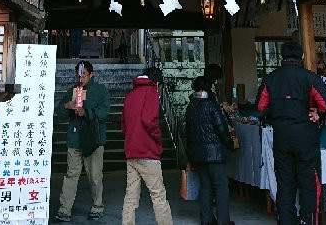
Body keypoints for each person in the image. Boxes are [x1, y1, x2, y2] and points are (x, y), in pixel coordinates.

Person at [256, 42, 326, 225]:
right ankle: (308, 221)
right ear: (301, 57)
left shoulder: (271, 79)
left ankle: (286, 221)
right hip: (306, 136)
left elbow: (260, 107)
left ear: (282, 57)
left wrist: (275, 111)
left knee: (284, 182)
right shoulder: (309, 77)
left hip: (282, 137)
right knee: (309, 181)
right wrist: (319, 113)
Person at [54, 60, 110, 222]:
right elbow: (60, 113)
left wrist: (86, 112)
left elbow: (105, 113)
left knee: (95, 176)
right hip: (74, 139)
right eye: (78, 75)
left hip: (93, 140)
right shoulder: (72, 90)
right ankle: (64, 209)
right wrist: (66, 106)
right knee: (71, 175)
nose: (81, 79)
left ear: (91, 74)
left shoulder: (100, 91)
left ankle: (97, 206)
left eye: (84, 75)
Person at [121, 67, 174, 225]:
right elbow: (149, 120)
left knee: (130, 196)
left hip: (131, 152)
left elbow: (124, 125)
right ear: (156, 83)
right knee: (158, 196)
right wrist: (158, 139)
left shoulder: (130, 95)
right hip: (148, 152)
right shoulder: (151, 92)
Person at [184, 76, 235, 225]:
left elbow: (187, 131)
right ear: (208, 87)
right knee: (220, 186)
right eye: (212, 86)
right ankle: (223, 221)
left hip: (198, 154)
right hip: (214, 154)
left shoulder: (190, 105)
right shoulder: (211, 105)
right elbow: (221, 129)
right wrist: (229, 144)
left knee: (205, 186)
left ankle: (206, 220)